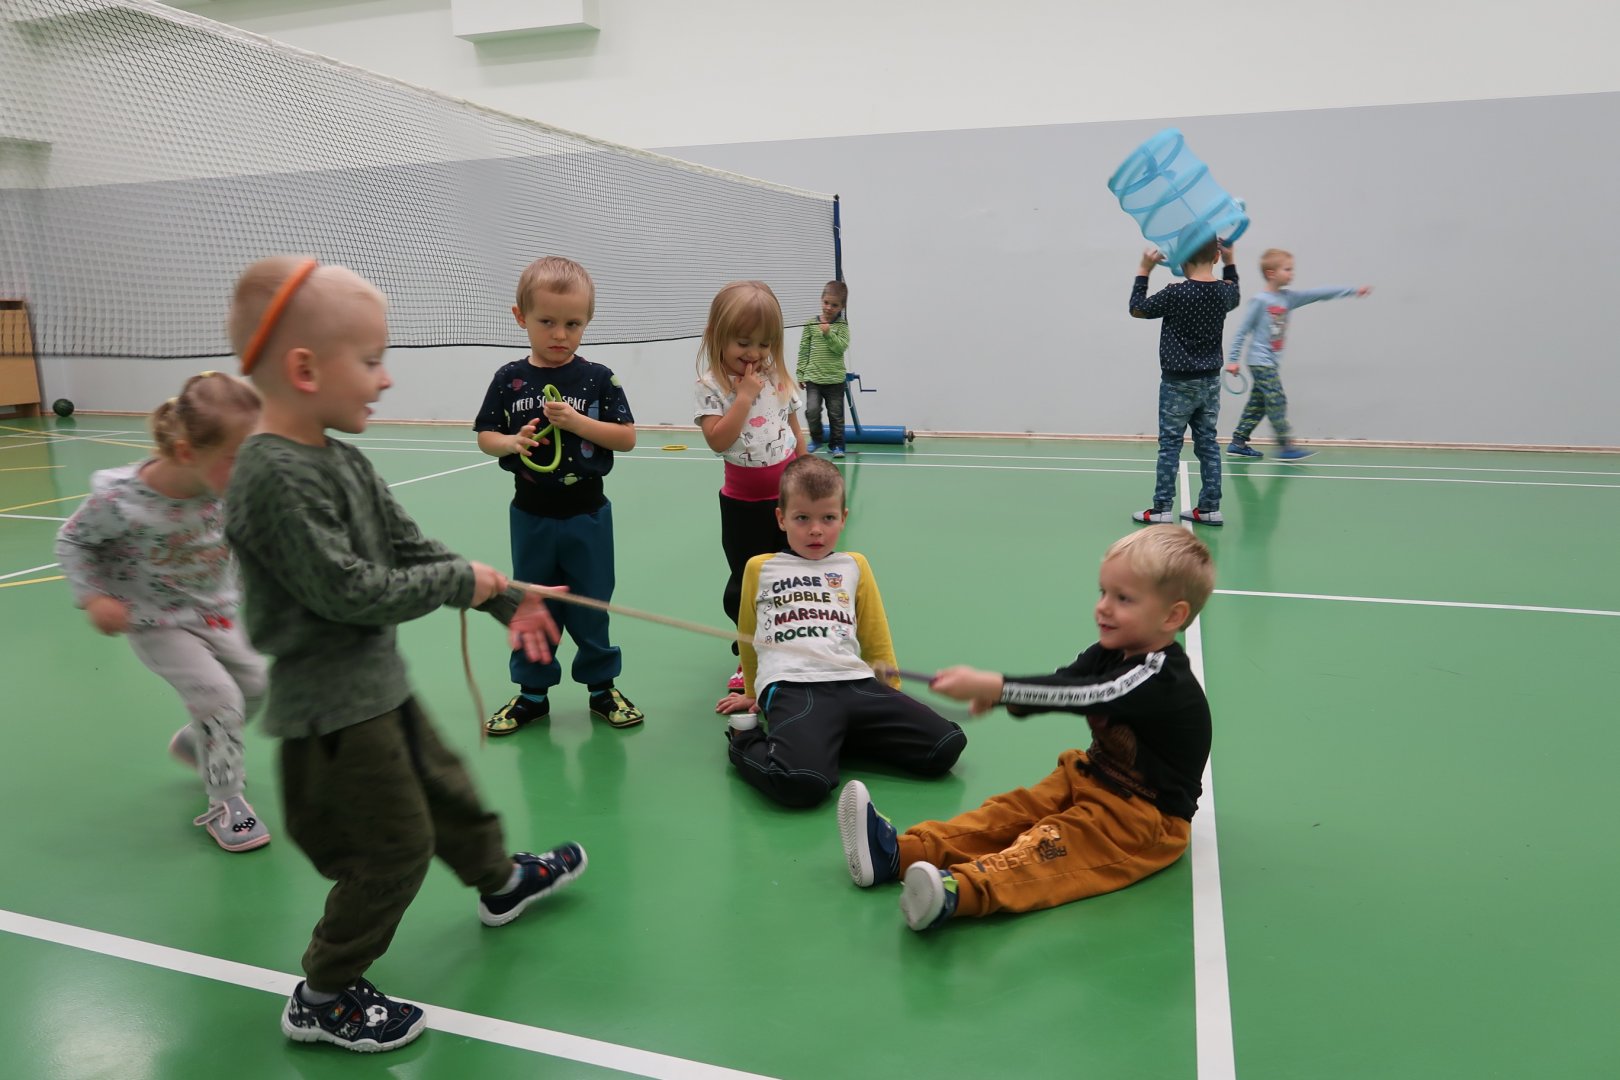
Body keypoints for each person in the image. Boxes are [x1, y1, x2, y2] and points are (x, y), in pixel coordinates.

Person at [224, 255, 582, 1053]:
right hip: (332, 711)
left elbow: (408, 546)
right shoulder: (272, 474)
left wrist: (504, 596)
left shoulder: (339, 458)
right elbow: (346, 590)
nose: (385, 380)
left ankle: (501, 882)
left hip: (377, 686)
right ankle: (324, 991)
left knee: (449, 792)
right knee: (393, 849)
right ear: (306, 369)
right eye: (371, 361)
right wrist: (461, 583)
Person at [838, 526, 1214, 932]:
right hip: (1089, 774)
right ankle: (897, 853)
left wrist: (995, 686)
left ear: (1172, 616)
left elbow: (1088, 694)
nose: (1103, 607)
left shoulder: (1159, 675)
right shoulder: (1109, 652)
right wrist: (1004, 696)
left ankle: (954, 892)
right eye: (1103, 592)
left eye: (1123, 599)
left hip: (1143, 816)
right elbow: (1063, 680)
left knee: (1051, 846)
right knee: (1007, 814)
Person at [55, 371, 271, 851]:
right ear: (188, 452)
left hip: (214, 611)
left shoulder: (226, 489)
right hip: (156, 620)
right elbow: (73, 540)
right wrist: (93, 596)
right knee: (219, 697)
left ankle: (198, 743)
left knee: (256, 687)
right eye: (237, 458)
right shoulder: (121, 501)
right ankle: (226, 801)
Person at [717, 455, 966, 807]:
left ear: (843, 518)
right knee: (802, 782)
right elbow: (748, 633)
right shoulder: (761, 567)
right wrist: (751, 691)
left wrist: (890, 695)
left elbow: (875, 631)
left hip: (854, 682)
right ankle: (744, 742)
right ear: (781, 518)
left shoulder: (854, 565)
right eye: (802, 518)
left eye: (828, 518)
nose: (816, 530)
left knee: (945, 745)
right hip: (793, 686)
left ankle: (830, 737)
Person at [474, 256, 643, 734]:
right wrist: (511, 443)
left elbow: (626, 437)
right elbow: (486, 436)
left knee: (592, 603)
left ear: (587, 321)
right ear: (521, 317)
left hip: (588, 515)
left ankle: (602, 688)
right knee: (533, 605)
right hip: (531, 517)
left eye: (573, 324)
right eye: (547, 322)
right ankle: (532, 694)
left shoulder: (599, 378)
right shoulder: (509, 378)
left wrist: (577, 422)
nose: (560, 334)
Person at [694, 280, 806, 693]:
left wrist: (807, 478)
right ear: (718, 336)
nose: (754, 353)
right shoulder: (711, 386)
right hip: (743, 506)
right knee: (747, 583)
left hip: (788, 501)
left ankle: (791, 646)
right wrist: (742, 397)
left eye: (764, 343)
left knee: (793, 574)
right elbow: (718, 440)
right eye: (743, 342)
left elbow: (794, 430)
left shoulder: (776, 376)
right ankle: (749, 653)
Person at [1129, 239, 1240, 526]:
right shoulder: (1224, 292)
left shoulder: (1176, 293)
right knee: (1208, 444)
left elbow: (1137, 308)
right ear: (1216, 257)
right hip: (1210, 383)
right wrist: (1231, 262)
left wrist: (1144, 269)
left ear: (1180, 260)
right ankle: (1210, 508)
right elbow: (1236, 293)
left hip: (1177, 383)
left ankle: (1162, 508)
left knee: (1170, 445)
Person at [1225, 248, 1372, 461]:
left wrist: (1353, 290)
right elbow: (1242, 331)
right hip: (1260, 360)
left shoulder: (1288, 298)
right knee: (1277, 399)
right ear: (1271, 273)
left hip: (1270, 362)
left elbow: (1319, 293)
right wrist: (1232, 360)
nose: (1292, 273)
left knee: (1259, 404)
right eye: (1287, 269)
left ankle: (1238, 442)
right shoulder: (1260, 301)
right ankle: (1285, 446)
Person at [796, 279, 851, 457]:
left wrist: (828, 334)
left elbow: (840, 347)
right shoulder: (811, 324)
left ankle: (837, 445)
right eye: (826, 302)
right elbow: (804, 349)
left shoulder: (842, 326)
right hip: (814, 379)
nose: (829, 308)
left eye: (834, 305)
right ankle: (817, 439)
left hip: (835, 380)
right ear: (821, 300)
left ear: (842, 306)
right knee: (812, 411)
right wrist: (800, 373)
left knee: (836, 415)